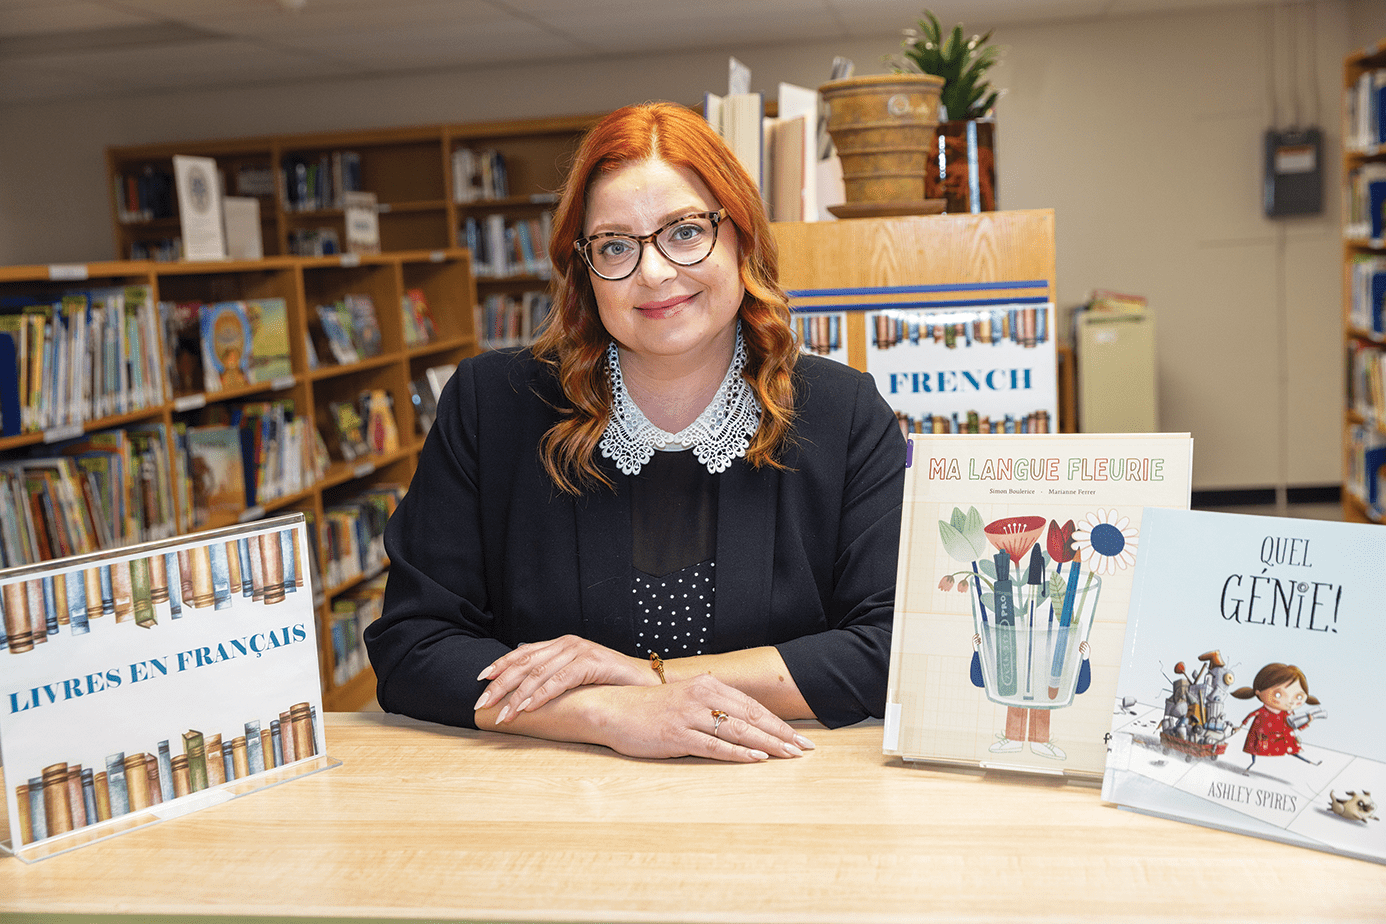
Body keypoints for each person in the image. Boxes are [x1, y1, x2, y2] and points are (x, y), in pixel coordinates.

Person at [365, 101, 905, 763]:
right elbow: (413, 647)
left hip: (777, 791)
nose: (653, 273)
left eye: (685, 231)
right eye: (616, 245)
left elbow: (892, 647)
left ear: (741, 236)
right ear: (584, 268)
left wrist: (647, 678)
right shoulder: (492, 405)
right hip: (552, 797)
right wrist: (607, 712)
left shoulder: (843, 414)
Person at [1232, 662, 1321, 773]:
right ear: (1258, 692)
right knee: (1256, 750)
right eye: (1278, 695)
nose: (1289, 701)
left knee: (1293, 753)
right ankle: (1251, 765)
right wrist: (1240, 727)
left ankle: (1310, 763)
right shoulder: (1263, 712)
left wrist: (1308, 722)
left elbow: (1295, 725)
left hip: (1281, 741)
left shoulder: (1288, 714)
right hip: (1264, 739)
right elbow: (1249, 716)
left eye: (1298, 696)